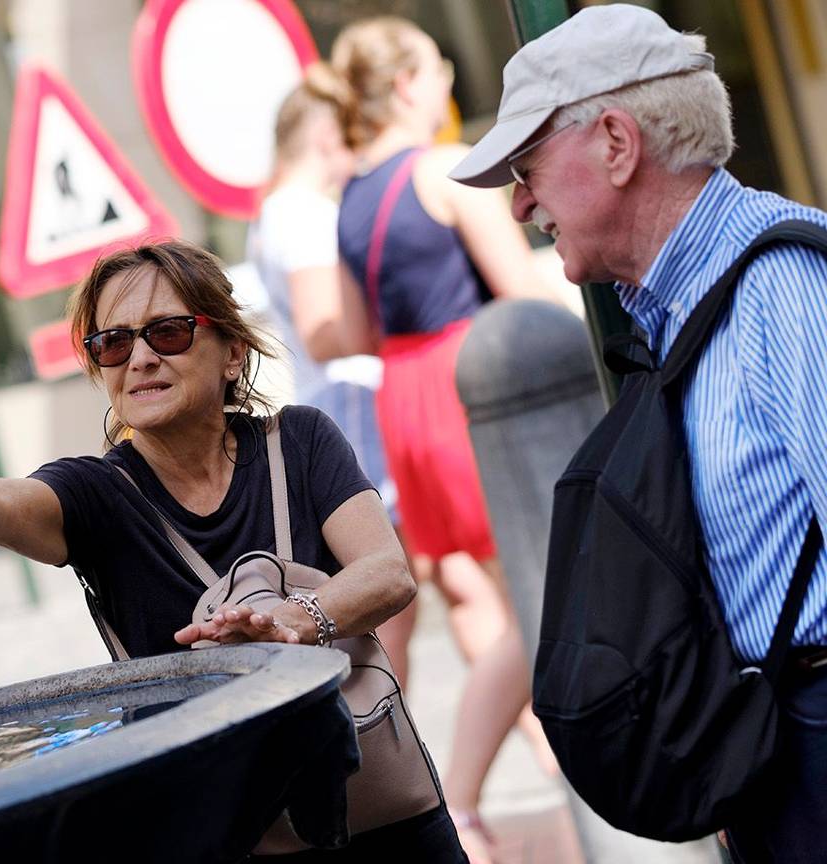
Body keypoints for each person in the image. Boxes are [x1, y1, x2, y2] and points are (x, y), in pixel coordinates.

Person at [0, 239, 467, 861]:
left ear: (231, 351)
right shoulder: (97, 495)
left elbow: (386, 572)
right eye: (111, 343)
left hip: (387, 815)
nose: (139, 357)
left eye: (166, 331)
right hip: (234, 837)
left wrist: (296, 620)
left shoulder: (304, 441)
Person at [448, 5, 827, 862]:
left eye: (527, 163)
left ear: (617, 143)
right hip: (778, 750)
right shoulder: (685, 305)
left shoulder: (788, 288)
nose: (518, 203)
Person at [323, 17, 559, 860]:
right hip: (476, 386)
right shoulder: (444, 173)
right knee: (541, 603)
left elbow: (354, 328)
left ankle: (543, 765)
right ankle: (456, 797)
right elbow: (524, 295)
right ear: (412, 86)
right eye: (440, 69)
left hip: (407, 399)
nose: (452, 83)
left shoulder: (351, 193)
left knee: (501, 600)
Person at [248, 66, 418, 686]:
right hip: (352, 409)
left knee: (411, 596)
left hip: (340, 407)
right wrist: (408, 314)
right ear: (324, 137)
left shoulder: (274, 211)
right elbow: (325, 328)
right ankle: (381, 735)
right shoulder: (302, 213)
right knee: (387, 602)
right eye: (349, 135)